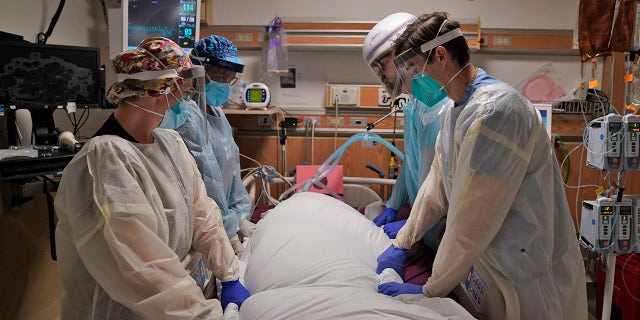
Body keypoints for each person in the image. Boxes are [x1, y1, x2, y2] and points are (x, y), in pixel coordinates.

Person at [375, 12, 587, 320]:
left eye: (415, 71)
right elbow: (436, 187)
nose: (412, 85)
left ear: (441, 55)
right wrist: (402, 243)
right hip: (492, 265)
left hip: (527, 275)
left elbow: (470, 220)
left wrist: (430, 290)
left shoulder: (496, 112)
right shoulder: (454, 111)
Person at [55, 37, 249, 319]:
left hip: (175, 303)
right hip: (123, 310)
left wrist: (228, 273)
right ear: (160, 89)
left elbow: (203, 213)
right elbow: (141, 268)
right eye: (181, 88)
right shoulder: (104, 161)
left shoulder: (169, 142)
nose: (185, 97)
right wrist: (203, 314)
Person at [159, 34, 254, 257]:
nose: (223, 83)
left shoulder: (218, 113)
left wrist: (240, 216)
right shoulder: (187, 114)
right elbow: (207, 177)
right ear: (199, 71)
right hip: (201, 224)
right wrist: (228, 227)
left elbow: (231, 169)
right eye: (218, 75)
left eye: (228, 77)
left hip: (224, 221)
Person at [362, 12, 448, 252]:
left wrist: (412, 226)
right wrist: (393, 205)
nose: (380, 74)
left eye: (381, 63)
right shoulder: (415, 105)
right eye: (374, 68)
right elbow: (412, 162)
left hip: (440, 229)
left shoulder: (442, 109)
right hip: (425, 230)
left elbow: (438, 186)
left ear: (406, 51)